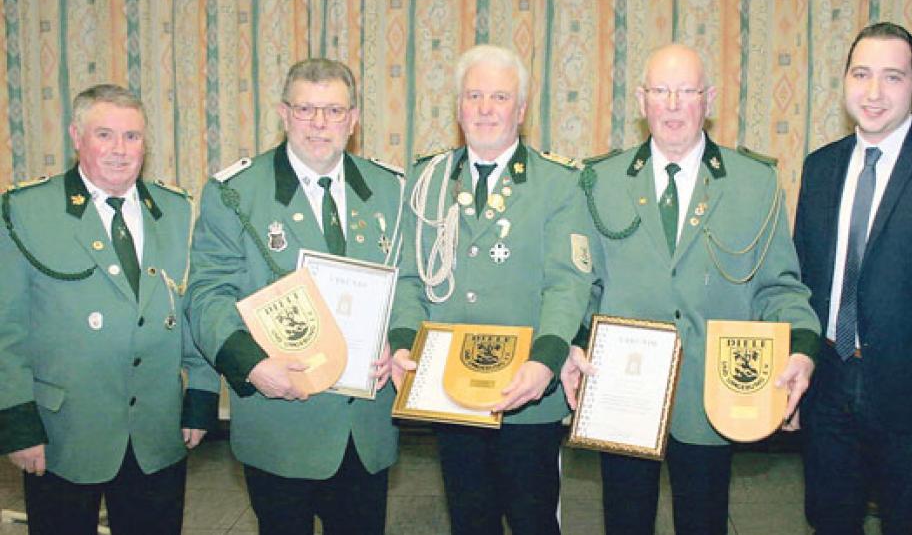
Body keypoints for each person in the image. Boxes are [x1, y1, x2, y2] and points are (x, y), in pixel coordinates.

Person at [561, 44, 821, 535]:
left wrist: (803, 349)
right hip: (622, 393)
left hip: (712, 396)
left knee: (704, 523)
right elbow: (585, 285)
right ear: (641, 101)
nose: (673, 104)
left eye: (687, 91)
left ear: (710, 99)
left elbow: (780, 288)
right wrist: (572, 341)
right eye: (660, 91)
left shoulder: (754, 182)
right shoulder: (600, 179)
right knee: (624, 522)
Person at [185, 59, 405, 535]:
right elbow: (206, 295)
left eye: (333, 110)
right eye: (306, 109)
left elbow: (406, 284)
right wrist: (251, 365)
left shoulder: (390, 190)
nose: (319, 124)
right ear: (283, 114)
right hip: (281, 421)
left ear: (353, 119)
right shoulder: (236, 193)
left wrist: (400, 340)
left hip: (364, 425)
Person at [389, 44, 593, 535]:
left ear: (520, 110)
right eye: (474, 95)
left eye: (499, 97)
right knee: (468, 518)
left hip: (528, 393)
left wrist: (545, 360)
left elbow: (568, 283)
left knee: (532, 519)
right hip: (449, 390)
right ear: (458, 107)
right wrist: (402, 344)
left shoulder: (558, 183)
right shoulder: (427, 179)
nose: (485, 108)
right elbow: (409, 277)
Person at [0, 84, 219, 535]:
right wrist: (18, 424)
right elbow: (8, 327)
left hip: (157, 429)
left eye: (133, 137)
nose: (120, 150)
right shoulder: (26, 210)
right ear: (76, 136)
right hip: (65, 432)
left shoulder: (175, 210)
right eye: (105, 135)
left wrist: (199, 395)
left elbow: (190, 303)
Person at [793, 22, 912, 535]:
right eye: (862, 74)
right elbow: (801, 287)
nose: (874, 93)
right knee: (829, 520)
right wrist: (792, 380)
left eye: (893, 77)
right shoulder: (820, 167)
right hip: (828, 387)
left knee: (910, 523)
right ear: (846, 80)